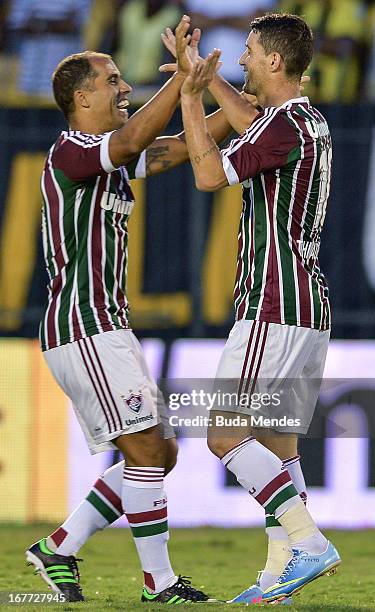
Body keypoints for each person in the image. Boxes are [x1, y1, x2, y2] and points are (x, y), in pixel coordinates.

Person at [25, 16, 235, 605]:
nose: (123, 88)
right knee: (145, 449)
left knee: (159, 453)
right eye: (113, 80)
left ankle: (58, 548)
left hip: (107, 327)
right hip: (83, 326)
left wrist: (237, 102)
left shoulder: (110, 156)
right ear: (80, 96)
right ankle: (158, 583)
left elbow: (170, 149)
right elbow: (136, 139)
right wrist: (181, 82)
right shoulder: (73, 151)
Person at [176, 12, 341, 604]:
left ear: (274, 60)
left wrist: (193, 98)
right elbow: (250, 116)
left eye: (247, 51)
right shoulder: (305, 120)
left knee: (223, 435)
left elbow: (206, 175)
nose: (241, 60)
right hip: (307, 306)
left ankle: (310, 542)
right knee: (278, 449)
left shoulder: (285, 123)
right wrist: (206, 78)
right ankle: (277, 575)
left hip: (272, 304)